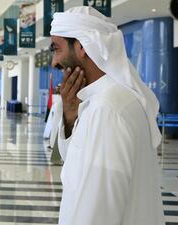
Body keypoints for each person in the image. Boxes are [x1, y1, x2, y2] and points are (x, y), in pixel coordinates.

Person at [50, 7, 164, 225]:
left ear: (82, 46)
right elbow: (74, 163)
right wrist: (70, 117)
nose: (54, 62)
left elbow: (97, 211)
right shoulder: (105, 101)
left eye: (57, 49)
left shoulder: (107, 110)